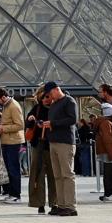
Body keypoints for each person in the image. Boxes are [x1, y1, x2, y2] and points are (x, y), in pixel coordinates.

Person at [40, 83, 79, 216]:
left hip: (65, 142)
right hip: (54, 141)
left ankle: (70, 206)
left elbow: (73, 119)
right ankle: (61, 204)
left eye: (50, 93)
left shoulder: (69, 101)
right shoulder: (54, 104)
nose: (49, 96)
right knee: (57, 175)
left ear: (57, 89)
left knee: (67, 174)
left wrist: (53, 123)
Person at [0, 88, 24, 204]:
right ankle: (12, 194)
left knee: (13, 168)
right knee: (9, 169)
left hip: (13, 142)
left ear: (2, 97)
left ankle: (16, 195)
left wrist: (3, 128)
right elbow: (10, 122)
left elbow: (20, 125)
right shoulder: (6, 106)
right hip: (7, 141)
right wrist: (0, 124)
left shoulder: (13, 106)